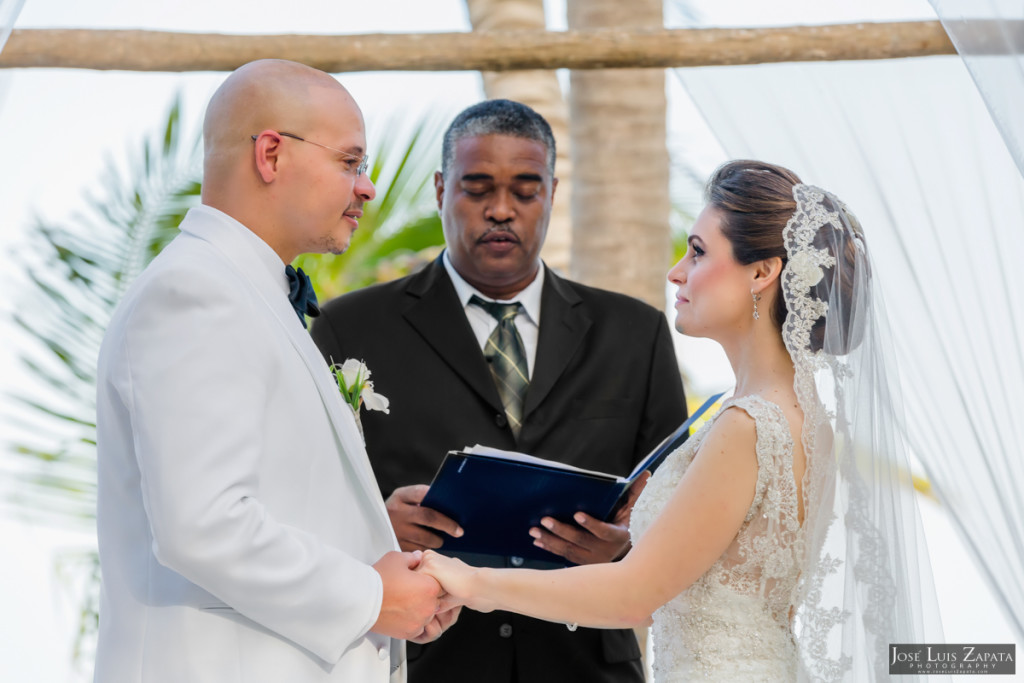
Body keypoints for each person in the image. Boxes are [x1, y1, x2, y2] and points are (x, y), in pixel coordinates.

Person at [419, 160, 940, 681]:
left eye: (697, 251)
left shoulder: (748, 425)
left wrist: (468, 582)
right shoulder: (806, 419)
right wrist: (627, 548)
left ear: (762, 272)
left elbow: (633, 599)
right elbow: (713, 579)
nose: (676, 271)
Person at [94, 59, 458, 683]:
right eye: (350, 162)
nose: (367, 187)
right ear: (270, 155)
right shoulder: (195, 292)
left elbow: (271, 503)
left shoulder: (250, 294)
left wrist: (385, 559)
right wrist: (371, 597)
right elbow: (202, 524)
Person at [310, 99, 686, 683]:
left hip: (586, 665)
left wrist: (625, 546)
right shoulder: (349, 328)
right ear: (440, 190)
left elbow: (676, 508)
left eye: (526, 191)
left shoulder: (635, 332)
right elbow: (306, 499)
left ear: (553, 192)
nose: (501, 210)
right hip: (424, 662)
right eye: (478, 188)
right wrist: (375, 525)